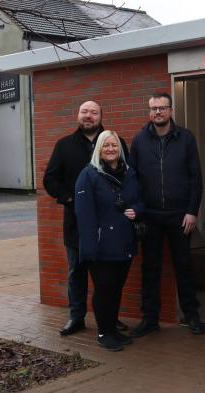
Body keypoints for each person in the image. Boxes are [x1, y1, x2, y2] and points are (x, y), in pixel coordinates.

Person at [43, 101, 129, 336]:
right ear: (78, 116)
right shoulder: (64, 146)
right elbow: (50, 180)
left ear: (101, 116)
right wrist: (70, 199)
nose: (88, 116)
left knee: (110, 276)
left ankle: (110, 318)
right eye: (84, 112)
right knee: (77, 272)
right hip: (77, 224)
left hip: (111, 224)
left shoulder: (115, 143)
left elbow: (127, 175)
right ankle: (77, 316)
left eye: (93, 112)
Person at [128, 93, 205, 337]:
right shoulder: (139, 140)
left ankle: (191, 315)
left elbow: (196, 178)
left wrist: (192, 211)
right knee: (150, 269)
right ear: (149, 112)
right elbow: (132, 180)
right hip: (150, 216)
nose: (158, 112)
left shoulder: (186, 138)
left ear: (171, 110)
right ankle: (150, 319)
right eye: (153, 108)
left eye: (162, 108)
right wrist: (138, 211)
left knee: (184, 266)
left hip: (179, 216)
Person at [75, 130, 142, 351]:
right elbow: (84, 216)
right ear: (99, 149)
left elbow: (139, 200)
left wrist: (135, 210)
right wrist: (90, 248)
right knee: (104, 289)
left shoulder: (129, 173)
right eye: (106, 145)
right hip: (101, 245)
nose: (111, 149)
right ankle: (104, 333)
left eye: (114, 145)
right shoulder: (89, 174)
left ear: (120, 149)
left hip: (124, 242)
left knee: (116, 289)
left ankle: (112, 329)